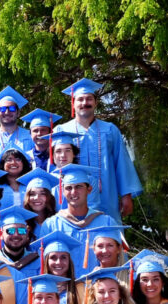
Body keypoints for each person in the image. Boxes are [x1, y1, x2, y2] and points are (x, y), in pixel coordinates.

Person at [55, 78, 143, 222]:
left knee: (107, 235)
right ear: (73, 103)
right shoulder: (61, 131)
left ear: (96, 103)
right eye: (80, 99)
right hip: (72, 196)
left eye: (89, 99)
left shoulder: (110, 130)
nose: (85, 103)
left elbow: (121, 162)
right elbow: (54, 167)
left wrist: (126, 195)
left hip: (106, 195)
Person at [34, 164, 117, 275]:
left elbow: (117, 258)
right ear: (62, 191)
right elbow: (44, 262)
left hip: (97, 286)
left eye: (79, 187)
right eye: (69, 188)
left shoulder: (107, 222)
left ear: (89, 189)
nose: (73, 192)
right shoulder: (51, 225)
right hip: (64, 288)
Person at [34, 231, 86, 304]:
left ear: (69, 261)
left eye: (63, 257)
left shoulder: (81, 289)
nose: (58, 262)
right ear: (46, 261)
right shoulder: (36, 290)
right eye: (53, 257)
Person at [0, 86, 34, 159]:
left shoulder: (30, 136)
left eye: (12, 108)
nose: (7, 112)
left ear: (18, 113)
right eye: (2, 109)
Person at [0, 206, 41, 279]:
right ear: (1, 235)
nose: (16, 234)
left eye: (21, 230)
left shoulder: (37, 261)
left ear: (27, 234)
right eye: (10, 231)